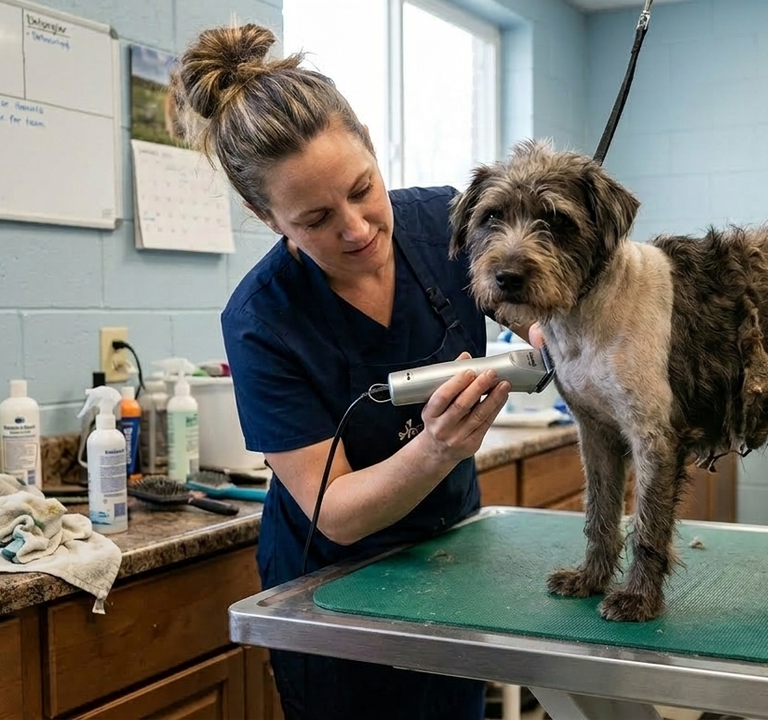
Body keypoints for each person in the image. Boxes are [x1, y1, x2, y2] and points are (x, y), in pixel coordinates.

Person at [170, 22, 542, 720]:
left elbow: (532, 307)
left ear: (371, 144)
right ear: (266, 217)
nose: (357, 229)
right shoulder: (261, 319)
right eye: (315, 218)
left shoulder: (448, 224)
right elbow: (334, 512)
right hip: (332, 590)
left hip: (446, 558)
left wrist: (555, 328)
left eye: (362, 189)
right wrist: (438, 447)